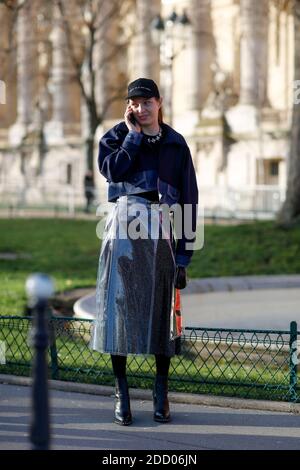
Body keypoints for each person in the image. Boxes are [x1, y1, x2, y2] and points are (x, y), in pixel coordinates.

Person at [90, 78, 198, 425]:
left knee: (162, 314)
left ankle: (160, 391)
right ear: (129, 106)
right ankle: (121, 392)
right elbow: (112, 171)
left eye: (148, 101)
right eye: (135, 103)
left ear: (159, 102)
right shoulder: (114, 137)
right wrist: (132, 136)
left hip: (163, 227)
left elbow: (189, 200)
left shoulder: (176, 143)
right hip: (123, 224)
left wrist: (184, 257)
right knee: (119, 310)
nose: (142, 108)